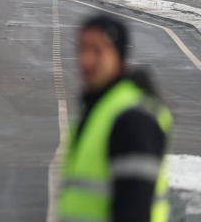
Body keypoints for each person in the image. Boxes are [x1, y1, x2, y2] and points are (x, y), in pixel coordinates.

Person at [58, 15, 173, 222]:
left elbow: (134, 209)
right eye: (82, 49)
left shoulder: (132, 118)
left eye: (97, 51)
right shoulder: (100, 108)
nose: (86, 60)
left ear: (118, 56)